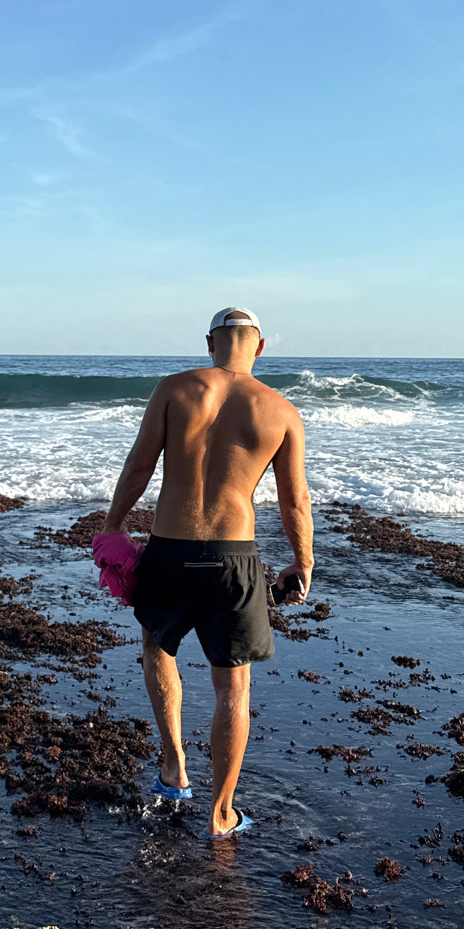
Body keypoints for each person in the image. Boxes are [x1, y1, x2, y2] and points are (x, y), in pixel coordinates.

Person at [101, 307, 312, 840]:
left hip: (170, 550)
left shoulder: (174, 389)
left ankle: (174, 766)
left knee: (157, 646)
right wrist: (302, 562)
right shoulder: (281, 410)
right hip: (233, 559)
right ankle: (221, 814)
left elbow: (139, 465)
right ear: (259, 347)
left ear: (209, 343)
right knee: (233, 684)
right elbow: (295, 502)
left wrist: (113, 526)